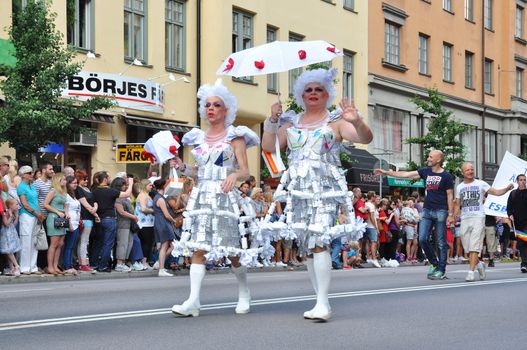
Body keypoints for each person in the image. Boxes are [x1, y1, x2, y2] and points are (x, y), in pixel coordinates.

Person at [262, 68, 373, 321]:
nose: (313, 93)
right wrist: (272, 120)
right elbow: (269, 147)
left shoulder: (336, 121)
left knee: (320, 241)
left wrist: (356, 120)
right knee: (308, 246)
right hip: (298, 191)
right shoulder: (291, 122)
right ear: (301, 94)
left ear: (327, 94)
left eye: (318, 89)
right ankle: (319, 300)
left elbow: (365, 138)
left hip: (324, 190)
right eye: (308, 89)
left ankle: (323, 303)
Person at [171, 79, 261, 317]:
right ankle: (193, 301)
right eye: (208, 105)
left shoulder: (235, 136)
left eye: (216, 105)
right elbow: (197, 172)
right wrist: (182, 167)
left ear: (226, 109)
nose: (211, 109)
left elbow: (245, 170)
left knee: (231, 250)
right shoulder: (198, 138)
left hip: (224, 198)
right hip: (201, 197)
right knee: (198, 248)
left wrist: (234, 176)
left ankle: (244, 292)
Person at [375, 150, 454, 280]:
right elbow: (406, 174)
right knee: (422, 238)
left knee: (440, 242)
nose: (428, 158)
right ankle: (434, 264)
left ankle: (442, 269)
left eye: (430, 157)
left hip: (441, 210)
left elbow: (450, 195)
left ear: (438, 159)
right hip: (427, 210)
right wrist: (387, 172)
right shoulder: (425, 171)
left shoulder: (446, 176)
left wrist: (451, 214)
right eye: (428, 156)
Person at [455, 163, 513, 281]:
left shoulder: (481, 183)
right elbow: (457, 203)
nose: (470, 171)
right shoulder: (459, 187)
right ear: (462, 173)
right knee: (467, 247)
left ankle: (471, 272)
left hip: (478, 218)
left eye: (472, 169)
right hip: (465, 218)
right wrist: (453, 216)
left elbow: (495, 192)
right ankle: (480, 264)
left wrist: (507, 188)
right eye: (467, 170)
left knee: (474, 246)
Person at [91, 172, 133, 272]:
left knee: (98, 243)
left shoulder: (95, 191)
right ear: (105, 179)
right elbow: (127, 194)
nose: (110, 179)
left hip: (98, 219)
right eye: (109, 177)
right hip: (109, 219)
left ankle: (94, 264)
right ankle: (103, 266)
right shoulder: (110, 191)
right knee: (107, 244)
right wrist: (130, 184)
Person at [17, 165, 43, 274]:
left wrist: (40, 214)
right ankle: (24, 267)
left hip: (35, 215)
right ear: (23, 175)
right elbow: (25, 204)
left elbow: (36, 201)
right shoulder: (21, 186)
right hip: (27, 216)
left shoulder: (32, 186)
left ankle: (33, 266)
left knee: (34, 241)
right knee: (26, 241)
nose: (32, 174)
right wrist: (37, 214)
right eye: (29, 173)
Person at [44, 173, 69, 275]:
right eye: (63, 179)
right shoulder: (53, 191)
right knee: (54, 243)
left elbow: (66, 205)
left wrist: (66, 213)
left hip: (62, 218)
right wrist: (57, 212)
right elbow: (45, 204)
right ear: (58, 180)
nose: (65, 181)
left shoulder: (63, 192)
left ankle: (55, 265)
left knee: (60, 243)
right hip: (54, 217)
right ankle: (50, 267)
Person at [152, 178, 177, 277]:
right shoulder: (160, 199)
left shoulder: (157, 197)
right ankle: (161, 269)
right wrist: (174, 221)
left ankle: (159, 263)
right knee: (165, 246)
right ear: (164, 187)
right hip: (163, 223)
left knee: (171, 245)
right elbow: (166, 215)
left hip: (160, 222)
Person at [75, 170, 98, 273]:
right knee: (83, 241)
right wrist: (94, 212)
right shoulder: (79, 190)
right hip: (84, 217)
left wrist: (94, 209)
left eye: (87, 178)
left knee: (85, 241)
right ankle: (82, 263)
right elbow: (85, 204)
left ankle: (83, 262)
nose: (86, 181)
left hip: (90, 216)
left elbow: (94, 202)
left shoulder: (87, 189)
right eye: (84, 179)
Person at [113, 177, 138, 273]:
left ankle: (123, 262)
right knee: (122, 243)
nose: (125, 186)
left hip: (128, 224)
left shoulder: (124, 197)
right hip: (122, 224)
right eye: (124, 184)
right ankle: (119, 263)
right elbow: (121, 212)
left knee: (129, 243)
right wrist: (133, 217)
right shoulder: (118, 197)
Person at [506, 174, 527, 273]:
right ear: (517, 181)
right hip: (518, 223)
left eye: (524, 180)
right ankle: (524, 263)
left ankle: (524, 263)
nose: (523, 182)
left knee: (525, 241)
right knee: (522, 243)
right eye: (521, 180)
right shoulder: (513, 194)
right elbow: (509, 207)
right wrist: (510, 215)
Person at [62, 176, 81, 275]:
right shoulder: (66, 196)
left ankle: (70, 264)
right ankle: (67, 265)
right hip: (70, 223)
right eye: (73, 183)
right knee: (68, 246)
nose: (76, 185)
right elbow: (66, 211)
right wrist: (69, 224)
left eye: (76, 183)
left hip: (76, 223)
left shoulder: (73, 195)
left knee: (72, 246)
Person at [134, 179, 155, 268]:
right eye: (150, 185)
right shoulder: (142, 195)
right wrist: (153, 211)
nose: (152, 187)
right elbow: (143, 209)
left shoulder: (146, 195)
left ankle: (144, 261)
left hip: (148, 222)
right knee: (146, 243)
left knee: (148, 243)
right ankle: (143, 262)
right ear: (145, 186)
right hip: (144, 223)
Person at [0, 198, 21, 276]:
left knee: (10, 250)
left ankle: (12, 268)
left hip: (11, 232)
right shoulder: (6, 212)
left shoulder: (13, 212)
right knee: (8, 251)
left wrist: (16, 216)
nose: (17, 206)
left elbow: (14, 224)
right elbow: (6, 223)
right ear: (10, 206)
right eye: (16, 204)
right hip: (5, 233)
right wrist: (11, 216)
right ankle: (16, 265)